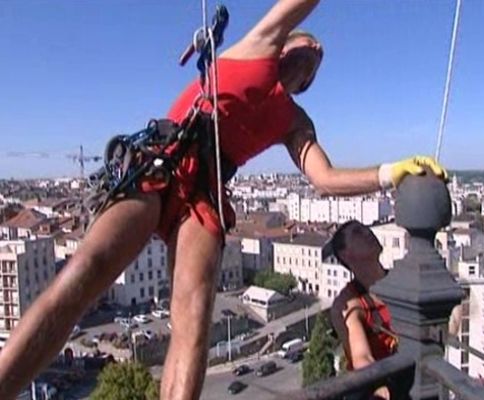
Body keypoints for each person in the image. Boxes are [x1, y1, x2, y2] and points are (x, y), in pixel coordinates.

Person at [0, 1, 447, 399]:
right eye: (308, 45)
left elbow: (324, 179)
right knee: (88, 271)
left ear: (308, 82)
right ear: (285, 47)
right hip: (164, 162)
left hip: (205, 195)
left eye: (318, 61)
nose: (316, 52)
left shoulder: (294, 120)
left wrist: (391, 173)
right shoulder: (257, 47)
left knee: (194, 321)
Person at [328, 220, 401, 400]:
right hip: (373, 388)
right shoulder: (348, 304)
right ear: (346, 254)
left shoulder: (400, 280)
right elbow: (361, 357)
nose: (368, 232)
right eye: (357, 232)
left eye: (365, 228)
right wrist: (380, 385)